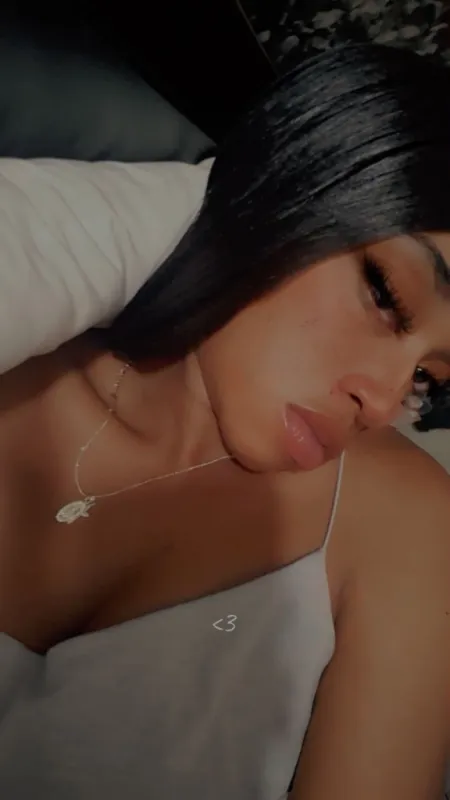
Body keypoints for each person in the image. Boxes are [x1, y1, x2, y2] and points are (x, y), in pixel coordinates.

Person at [1, 42, 450, 800]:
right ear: (294, 182)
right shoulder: (22, 328)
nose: (383, 402)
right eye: (385, 293)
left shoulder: (409, 526)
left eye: (428, 377)